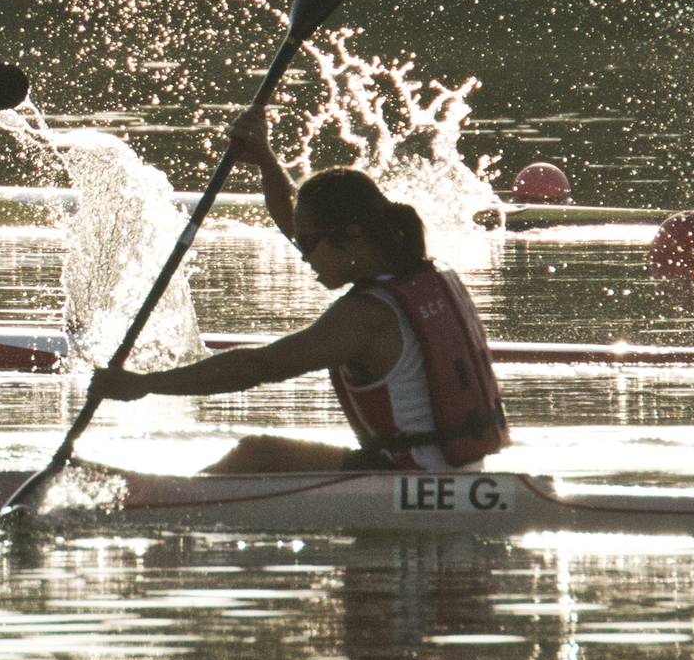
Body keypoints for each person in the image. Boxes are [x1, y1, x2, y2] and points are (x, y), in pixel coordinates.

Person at [87, 105, 510, 473]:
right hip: (454, 468)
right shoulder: (419, 274)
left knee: (256, 455)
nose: (303, 255)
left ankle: (162, 510)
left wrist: (146, 385)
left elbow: (261, 366)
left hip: (410, 476)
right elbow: (295, 223)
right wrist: (267, 163)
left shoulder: (365, 316)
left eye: (309, 244)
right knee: (260, 453)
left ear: (353, 235)